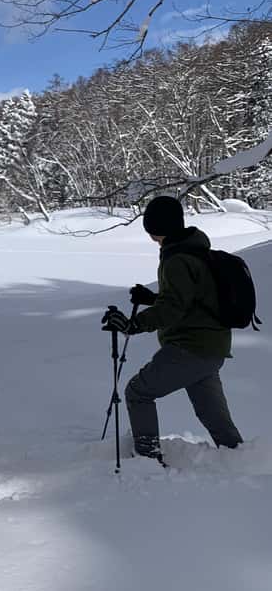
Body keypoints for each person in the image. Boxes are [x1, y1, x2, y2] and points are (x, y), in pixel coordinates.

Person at [102, 195, 243, 463]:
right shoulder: (196, 251)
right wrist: (153, 299)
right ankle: (240, 458)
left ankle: (147, 459)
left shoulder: (176, 260)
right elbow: (190, 300)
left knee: (137, 392)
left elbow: (174, 308)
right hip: (212, 348)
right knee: (212, 415)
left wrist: (134, 324)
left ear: (155, 228)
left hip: (189, 348)